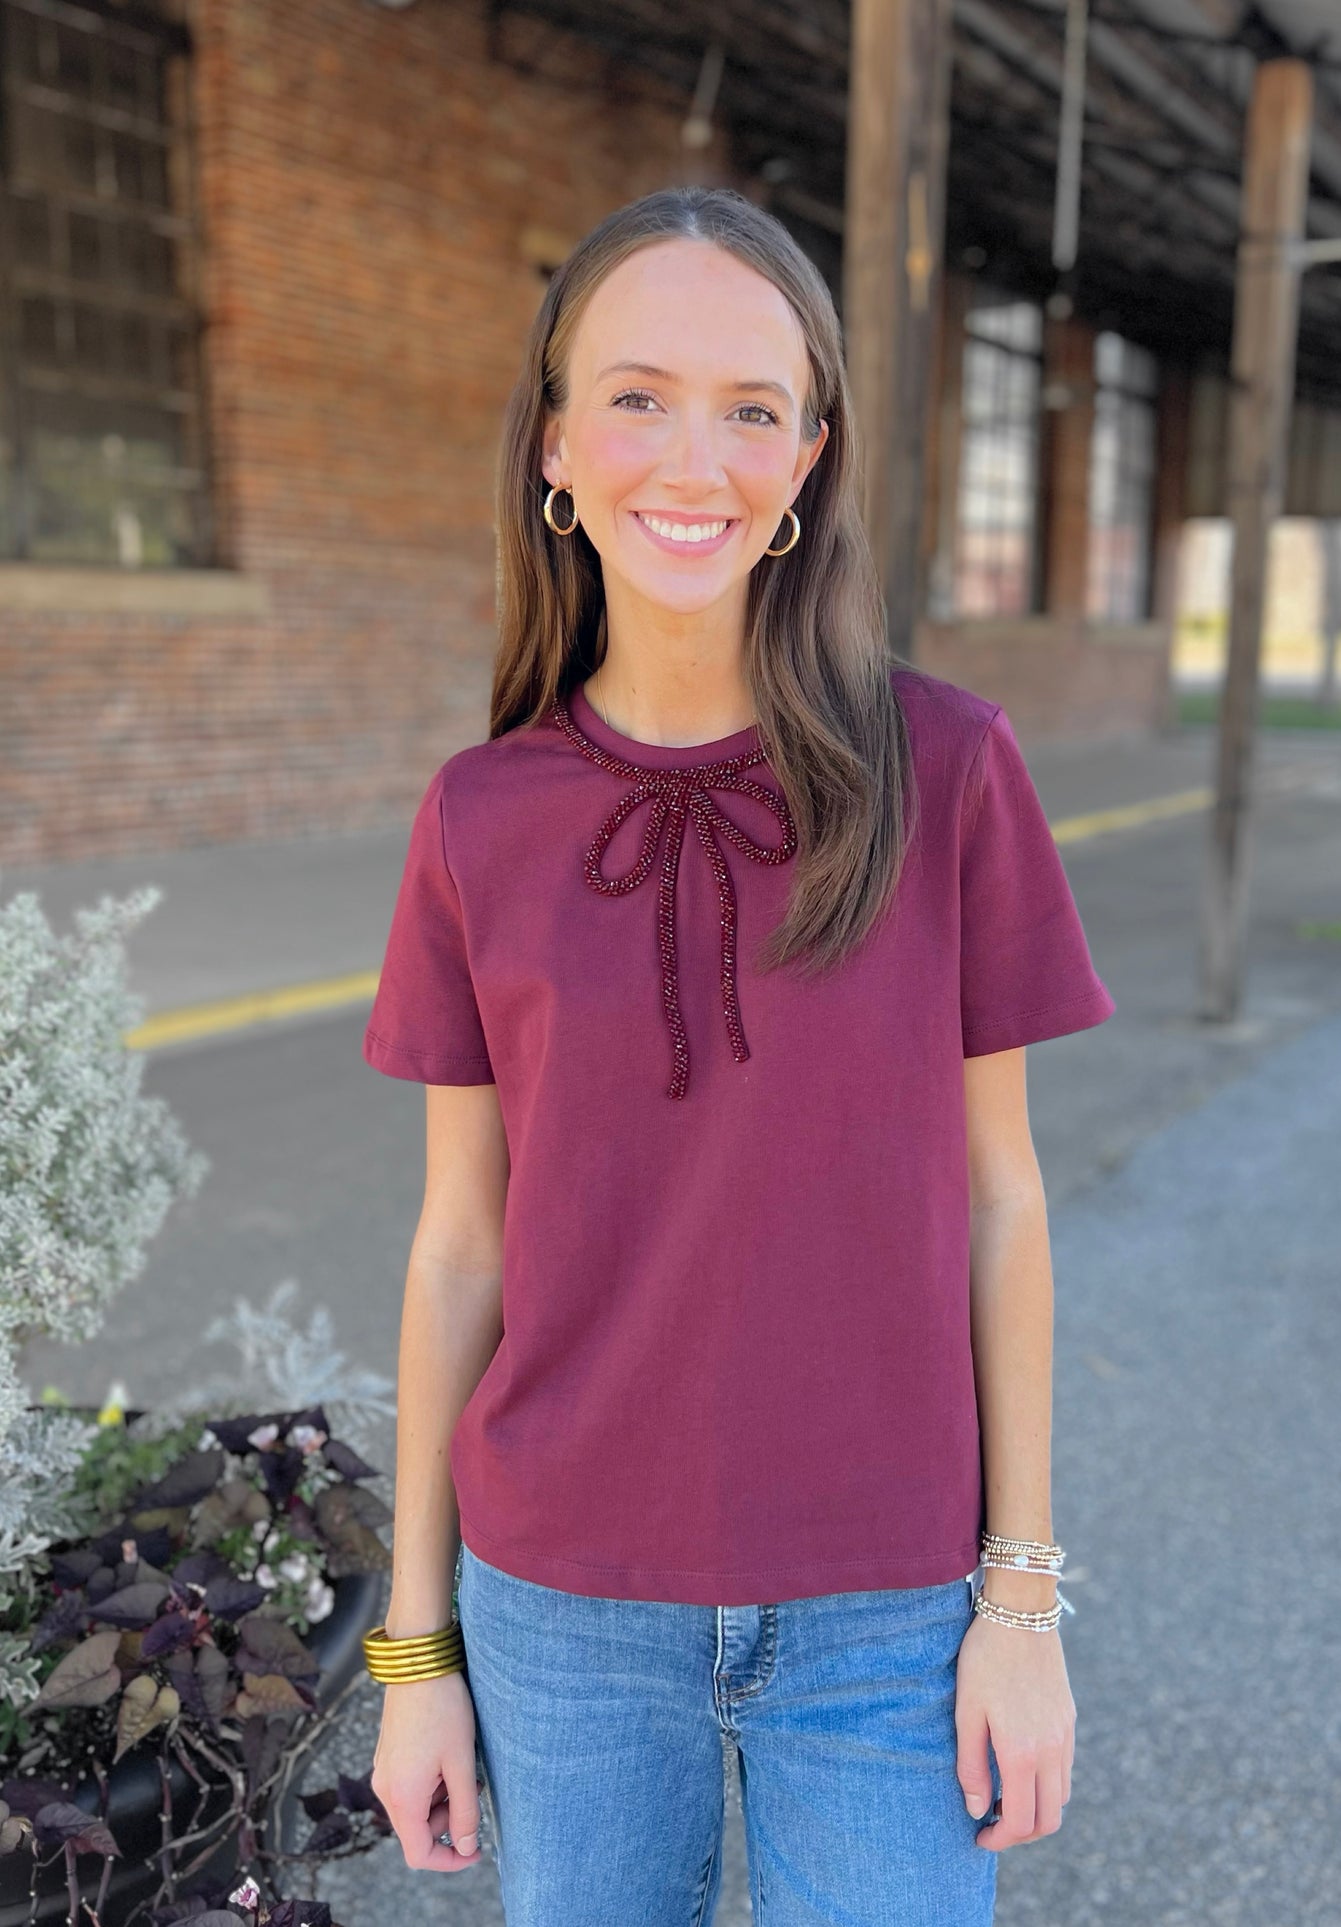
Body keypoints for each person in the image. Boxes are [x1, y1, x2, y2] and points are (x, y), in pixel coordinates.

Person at [360, 185, 1115, 1927]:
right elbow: (459, 1243)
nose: (691, 456)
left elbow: (1003, 1203)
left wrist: (1021, 1602)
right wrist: (418, 1651)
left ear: (808, 461)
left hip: (889, 1605)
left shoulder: (952, 770)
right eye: (635, 396)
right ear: (554, 445)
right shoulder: (479, 817)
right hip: (558, 1608)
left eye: (750, 408)